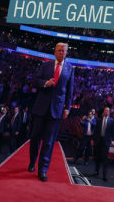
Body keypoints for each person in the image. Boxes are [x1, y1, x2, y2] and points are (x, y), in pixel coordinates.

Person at [26, 41, 77, 182]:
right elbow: (36, 81)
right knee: (35, 136)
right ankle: (32, 162)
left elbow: (70, 91)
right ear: (55, 52)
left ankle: (43, 170)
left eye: (64, 50)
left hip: (57, 109)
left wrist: (67, 107)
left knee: (49, 141)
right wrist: (45, 83)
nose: (61, 52)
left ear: (67, 52)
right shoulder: (45, 65)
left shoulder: (70, 69)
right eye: (59, 50)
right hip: (41, 106)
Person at [94, 106, 114, 181]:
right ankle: (96, 171)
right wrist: (92, 139)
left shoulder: (111, 121)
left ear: (109, 112)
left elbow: (113, 132)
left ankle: (105, 175)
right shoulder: (99, 120)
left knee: (105, 158)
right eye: (105, 110)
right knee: (97, 157)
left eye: (107, 111)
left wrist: (113, 140)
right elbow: (96, 130)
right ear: (103, 111)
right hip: (99, 140)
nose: (106, 112)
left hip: (106, 141)